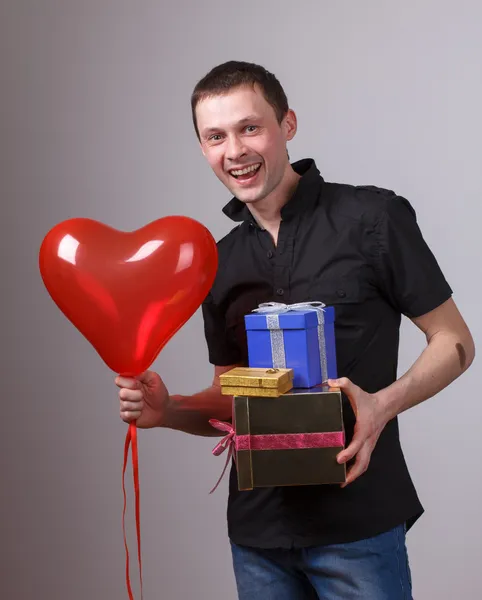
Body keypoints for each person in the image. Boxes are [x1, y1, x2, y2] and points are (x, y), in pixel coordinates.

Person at [116, 61, 475, 599]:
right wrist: (167, 411)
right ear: (203, 148)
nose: (234, 150)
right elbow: (233, 398)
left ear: (287, 125)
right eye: (216, 136)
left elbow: (455, 342)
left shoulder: (373, 217)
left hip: (359, 524)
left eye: (249, 128)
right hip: (259, 535)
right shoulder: (216, 263)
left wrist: (383, 404)